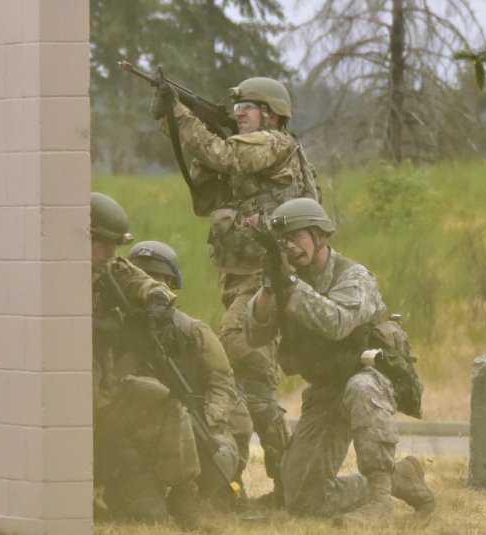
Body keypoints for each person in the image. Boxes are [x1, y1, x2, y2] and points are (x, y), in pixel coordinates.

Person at [150, 75, 318, 497]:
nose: (239, 114)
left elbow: (222, 154)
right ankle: (281, 483)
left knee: (234, 361)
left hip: (266, 279)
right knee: (251, 383)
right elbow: (207, 183)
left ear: (272, 115)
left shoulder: (274, 143)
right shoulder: (249, 152)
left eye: (248, 108)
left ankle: (273, 481)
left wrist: (182, 114)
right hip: (242, 279)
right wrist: (171, 121)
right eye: (237, 108)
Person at [243, 198, 434, 525]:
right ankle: (400, 479)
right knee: (303, 499)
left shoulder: (354, 276)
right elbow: (254, 334)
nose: (290, 247)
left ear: (320, 236)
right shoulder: (288, 281)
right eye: (283, 241)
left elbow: (336, 323)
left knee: (360, 387)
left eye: (296, 237)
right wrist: (270, 286)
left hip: (370, 376)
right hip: (326, 390)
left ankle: (380, 501)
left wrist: (290, 283)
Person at [89, 193, 203, 529]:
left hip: (104, 401)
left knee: (164, 398)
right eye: (103, 243)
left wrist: (157, 301)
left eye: (115, 244)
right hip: (70, 409)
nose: (111, 252)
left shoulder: (109, 270)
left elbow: (143, 283)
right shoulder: (48, 276)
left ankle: (185, 497)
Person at [127, 240, 254, 504]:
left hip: (198, 420)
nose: (149, 283)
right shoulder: (124, 330)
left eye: (157, 277)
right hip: (148, 425)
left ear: (170, 284)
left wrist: (206, 423)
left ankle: (212, 491)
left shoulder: (192, 332)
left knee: (217, 453)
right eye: (143, 276)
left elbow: (222, 385)